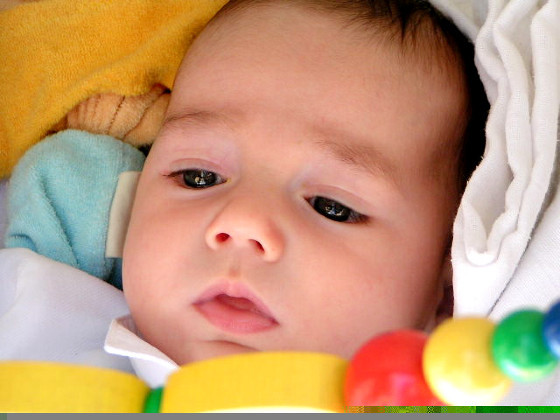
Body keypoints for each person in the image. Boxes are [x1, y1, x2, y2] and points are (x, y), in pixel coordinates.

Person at [2, 0, 487, 384]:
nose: (242, 221)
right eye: (198, 177)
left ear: (445, 274)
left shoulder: (472, 388)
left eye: (332, 207)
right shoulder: (40, 321)